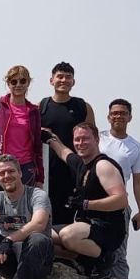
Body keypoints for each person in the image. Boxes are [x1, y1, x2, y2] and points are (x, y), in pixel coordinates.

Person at [53, 123, 128, 279]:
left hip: (108, 228)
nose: (80, 143)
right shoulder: (82, 165)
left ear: (97, 139)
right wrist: (49, 138)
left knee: (68, 236)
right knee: (43, 237)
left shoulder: (103, 165)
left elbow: (121, 200)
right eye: (77, 139)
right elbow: (64, 152)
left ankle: (104, 259)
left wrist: (86, 204)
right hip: (86, 226)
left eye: (85, 139)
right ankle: (83, 259)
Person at [39, 61, 96, 228]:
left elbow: (92, 140)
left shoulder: (83, 106)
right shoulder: (41, 106)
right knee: (45, 216)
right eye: (60, 77)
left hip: (75, 171)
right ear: (51, 80)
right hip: (48, 171)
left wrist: (91, 169)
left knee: (73, 219)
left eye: (68, 77)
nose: (64, 80)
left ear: (73, 82)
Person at [98, 99, 140, 279]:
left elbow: (138, 181)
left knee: (119, 251)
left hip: (118, 203)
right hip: (93, 201)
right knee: (95, 247)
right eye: (114, 113)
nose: (118, 116)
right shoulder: (98, 139)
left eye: (123, 113)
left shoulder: (135, 147)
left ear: (130, 117)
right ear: (108, 117)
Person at [0, 66, 42, 193]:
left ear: (28, 83)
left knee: (23, 205)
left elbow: (37, 146)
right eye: (14, 81)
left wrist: (40, 177)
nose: (18, 85)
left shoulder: (34, 111)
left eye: (22, 81)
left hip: (25, 168)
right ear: (8, 83)